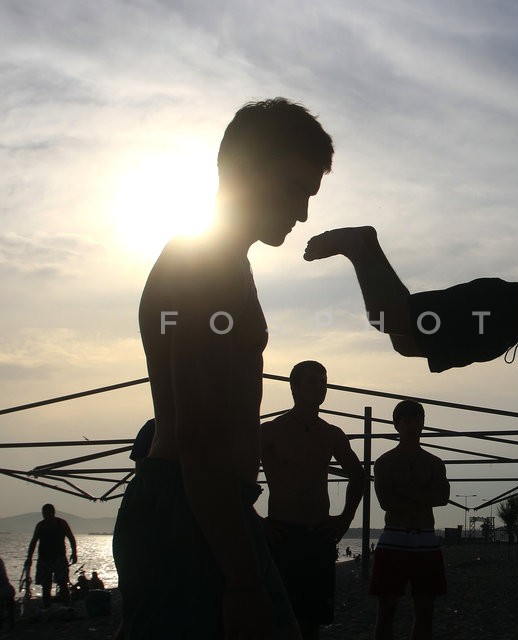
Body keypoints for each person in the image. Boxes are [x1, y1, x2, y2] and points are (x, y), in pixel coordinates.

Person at [113, 97, 334, 640]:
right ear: (248, 171)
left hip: (206, 508)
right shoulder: (205, 264)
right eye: (295, 190)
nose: (303, 213)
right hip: (187, 508)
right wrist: (241, 578)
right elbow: (199, 433)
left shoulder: (225, 262)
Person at [303, 142, 518, 372]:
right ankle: (355, 247)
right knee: (384, 317)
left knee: (405, 343)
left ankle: (368, 243)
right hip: (498, 309)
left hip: (503, 330)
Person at [260, 360, 365, 639]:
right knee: (279, 619)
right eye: (313, 382)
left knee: (312, 622)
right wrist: (257, 522)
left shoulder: (331, 434)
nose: (320, 388)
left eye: (323, 382)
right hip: (282, 533)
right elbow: (234, 475)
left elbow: (358, 475)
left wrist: (345, 519)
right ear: (294, 387)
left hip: (318, 534)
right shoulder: (271, 431)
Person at [369, 400, 450, 640]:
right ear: (397, 425)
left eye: (416, 421)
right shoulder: (384, 462)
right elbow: (386, 501)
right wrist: (424, 495)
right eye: (407, 421)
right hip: (394, 536)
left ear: (423, 424)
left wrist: (404, 491)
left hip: (425, 538)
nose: (412, 426)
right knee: (386, 608)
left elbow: (443, 497)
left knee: (425, 609)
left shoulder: (434, 463)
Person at [25, 504, 77, 608]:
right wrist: (29, 558)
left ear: (52, 513)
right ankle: (47, 607)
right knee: (46, 585)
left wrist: (74, 553)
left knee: (63, 583)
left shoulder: (61, 523)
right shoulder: (40, 525)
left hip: (59, 557)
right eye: (44, 514)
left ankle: (66, 606)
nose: (45, 516)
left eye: (47, 513)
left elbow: (71, 538)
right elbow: (34, 542)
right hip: (44, 559)